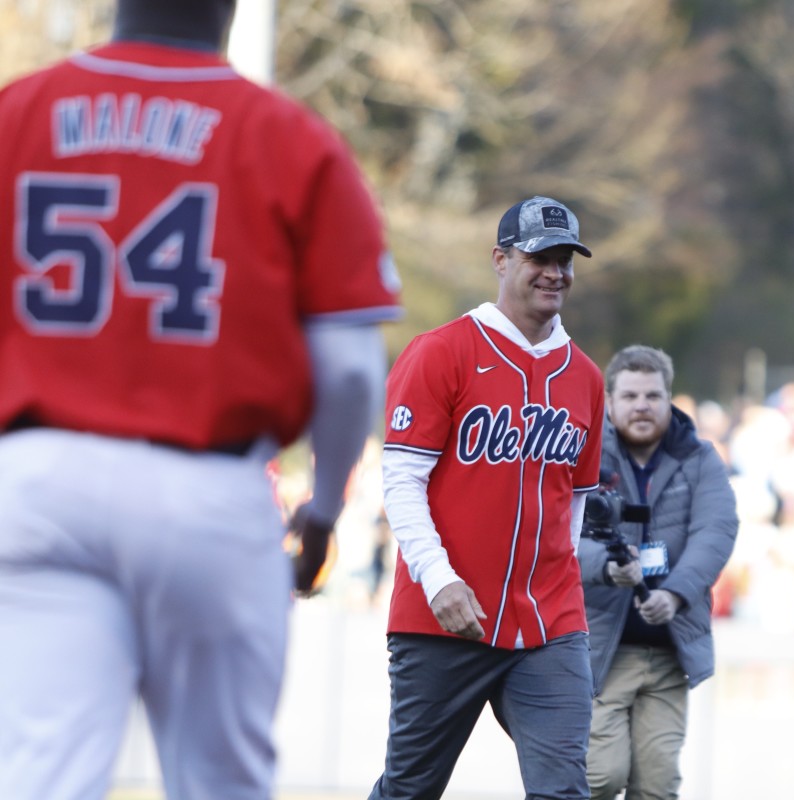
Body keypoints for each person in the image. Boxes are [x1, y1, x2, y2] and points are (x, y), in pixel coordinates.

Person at [0, 1, 402, 797]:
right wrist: (322, 512)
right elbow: (351, 367)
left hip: (36, 477)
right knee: (219, 781)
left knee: (42, 775)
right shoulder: (290, 137)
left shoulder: (18, 111)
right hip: (207, 485)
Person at [371, 196, 605, 800]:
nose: (554, 271)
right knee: (410, 790)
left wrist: (565, 589)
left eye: (565, 259)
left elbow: (574, 504)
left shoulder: (585, 377)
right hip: (445, 617)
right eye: (539, 257)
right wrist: (437, 577)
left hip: (549, 624)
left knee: (563, 791)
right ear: (500, 260)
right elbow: (400, 480)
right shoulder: (442, 351)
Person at [578, 345, 738, 800]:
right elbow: (557, 535)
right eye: (629, 396)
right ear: (609, 401)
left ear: (669, 399)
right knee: (599, 777)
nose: (642, 405)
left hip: (669, 652)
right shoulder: (584, 454)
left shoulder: (701, 458)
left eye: (652, 395)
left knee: (658, 785)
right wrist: (608, 567)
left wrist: (676, 593)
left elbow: (717, 530)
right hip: (598, 651)